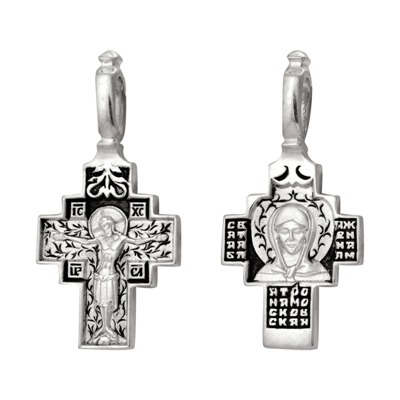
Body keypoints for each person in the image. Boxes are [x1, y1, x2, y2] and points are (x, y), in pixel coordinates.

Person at [53, 211, 167, 343]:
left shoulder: (121, 238)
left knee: (110, 303)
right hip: (99, 275)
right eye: (102, 226)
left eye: (107, 225)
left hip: (111, 275)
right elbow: (86, 242)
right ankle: (104, 327)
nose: (105, 229)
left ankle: (106, 327)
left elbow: (136, 242)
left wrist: (154, 238)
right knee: (102, 302)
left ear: (112, 225)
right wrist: (65, 237)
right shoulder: (101, 239)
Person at [255, 204, 329, 282]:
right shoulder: (264, 274)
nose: (291, 238)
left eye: (297, 231)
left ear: (306, 235)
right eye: (285, 232)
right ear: (277, 236)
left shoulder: (319, 272)